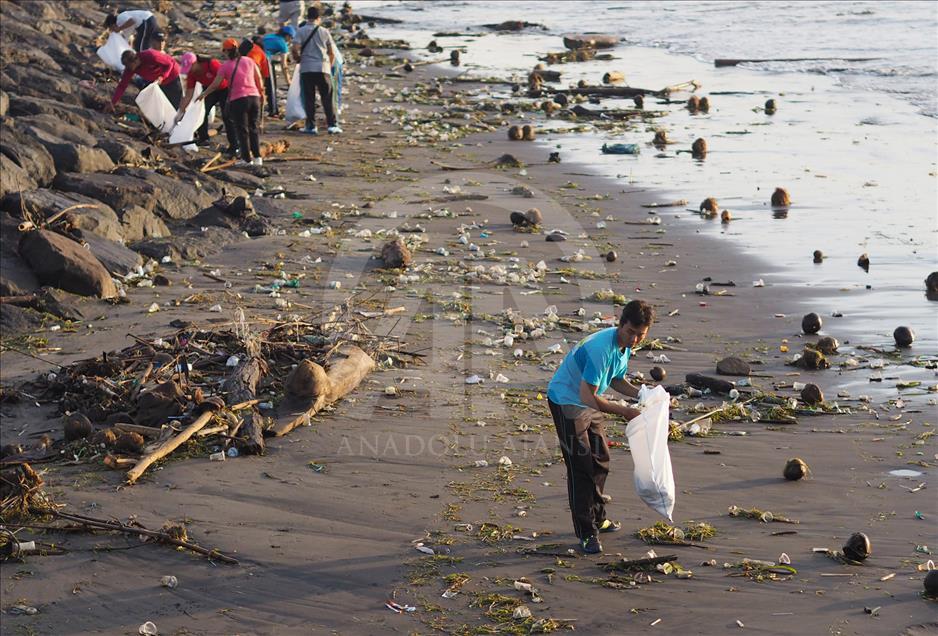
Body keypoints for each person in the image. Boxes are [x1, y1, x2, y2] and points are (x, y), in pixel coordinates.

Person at [546, 299, 656, 555]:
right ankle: (586, 533)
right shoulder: (600, 349)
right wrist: (624, 411)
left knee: (601, 460)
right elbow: (587, 396)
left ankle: (598, 517)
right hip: (567, 402)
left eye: (641, 335)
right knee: (581, 468)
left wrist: (643, 395)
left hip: (589, 401)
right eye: (631, 333)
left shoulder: (624, 346)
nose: (635, 340)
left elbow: (616, 379)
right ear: (621, 324)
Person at [198, 38, 265, 166]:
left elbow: (215, 85)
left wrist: (204, 94)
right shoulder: (250, 61)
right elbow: (259, 80)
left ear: (225, 51)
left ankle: (246, 159)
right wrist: (261, 96)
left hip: (239, 99)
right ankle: (257, 158)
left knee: (242, 130)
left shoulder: (225, 66)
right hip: (254, 97)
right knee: (253, 128)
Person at [292, 5, 340, 135]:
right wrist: (328, 66)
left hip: (307, 69)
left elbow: (294, 48)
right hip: (322, 68)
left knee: (309, 98)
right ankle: (332, 125)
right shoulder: (324, 31)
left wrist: (298, 59)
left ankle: (311, 126)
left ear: (308, 17)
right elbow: (331, 52)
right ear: (318, 18)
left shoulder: (301, 31)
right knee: (327, 98)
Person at [174, 53, 238, 152]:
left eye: (190, 67)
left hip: (225, 89)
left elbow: (226, 77)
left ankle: (234, 145)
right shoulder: (192, 74)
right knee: (202, 113)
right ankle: (203, 139)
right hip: (209, 90)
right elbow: (188, 95)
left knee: (227, 116)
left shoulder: (211, 64)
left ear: (196, 63)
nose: (190, 70)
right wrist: (180, 111)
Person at [107, 48, 182, 111]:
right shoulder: (130, 69)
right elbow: (122, 86)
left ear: (136, 60)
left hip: (173, 76)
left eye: (130, 66)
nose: (130, 69)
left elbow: (169, 63)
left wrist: (163, 76)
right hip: (159, 82)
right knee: (162, 103)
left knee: (175, 102)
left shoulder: (150, 55)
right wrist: (112, 102)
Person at [242, 38, 276, 118]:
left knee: (268, 89)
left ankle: (272, 110)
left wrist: (261, 90)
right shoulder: (253, 52)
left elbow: (261, 75)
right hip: (253, 70)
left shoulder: (255, 53)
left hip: (258, 71)